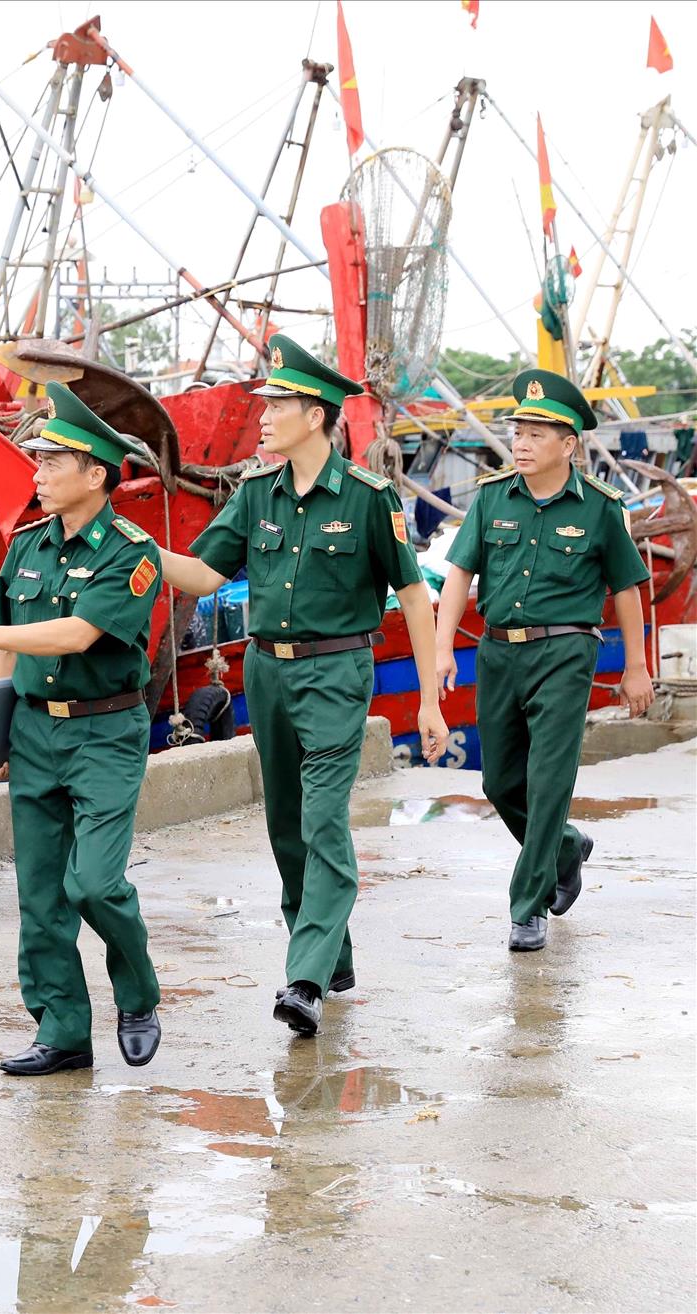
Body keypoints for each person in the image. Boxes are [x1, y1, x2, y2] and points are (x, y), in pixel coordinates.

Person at [152, 335, 448, 1038]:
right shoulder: (257, 494)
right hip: (267, 671)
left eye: (277, 403)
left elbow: (411, 593)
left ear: (314, 415)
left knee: (322, 821)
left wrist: (433, 697)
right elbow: (202, 575)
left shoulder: (370, 498)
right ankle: (333, 953)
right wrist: (129, 544)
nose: (263, 415)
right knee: (286, 826)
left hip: (337, 672)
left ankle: (305, 978)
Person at [0, 384, 163, 1075]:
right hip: (34, 734)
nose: (37, 473)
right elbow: (17, 646)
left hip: (105, 735)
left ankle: (139, 991)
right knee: (39, 894)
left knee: (92, 884)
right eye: (37, 460)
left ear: (95, 474)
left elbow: (75, 633)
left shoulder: (131, 551)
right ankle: (61, 1031)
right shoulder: (29, 544)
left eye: (52, 462)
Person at [431, 368, 652, 951]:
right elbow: (459, 576)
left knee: (549, 782)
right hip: (498, 654)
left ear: (569, 445)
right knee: (502, 782)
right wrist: (439, 649)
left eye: (536, 434)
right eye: (519, 432)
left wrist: (635, 666)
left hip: (566, 651)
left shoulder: (602, 508)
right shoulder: (492, 499)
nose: (521, 443)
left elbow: (626, 588)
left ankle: (527, 907)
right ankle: (566, 848)